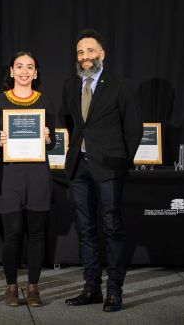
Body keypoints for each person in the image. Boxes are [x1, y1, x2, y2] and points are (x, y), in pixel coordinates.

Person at [63, 29, 143, 312]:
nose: (86, 57)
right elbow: (72, 123)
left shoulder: (120, 86)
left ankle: (114, 291)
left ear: (102, 54)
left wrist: (122, 162)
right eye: (81, 53)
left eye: (90, 51)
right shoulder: (71, 85)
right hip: (79, 167)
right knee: (85, 230)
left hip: (109, 168)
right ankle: (91, 288)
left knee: (111, 228)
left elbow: (134, 128)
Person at [0, 51, 55, 307]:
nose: (24, 71)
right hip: (10, 174)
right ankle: (11, 286)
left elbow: (52, 144)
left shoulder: (45, 101)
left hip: (37, 173)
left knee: (37, 234)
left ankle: (33, 286)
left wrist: (49, 139)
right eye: (19, 66)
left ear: (36, 73)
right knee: (12, 233)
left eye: (30, 67)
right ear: (11, 71)